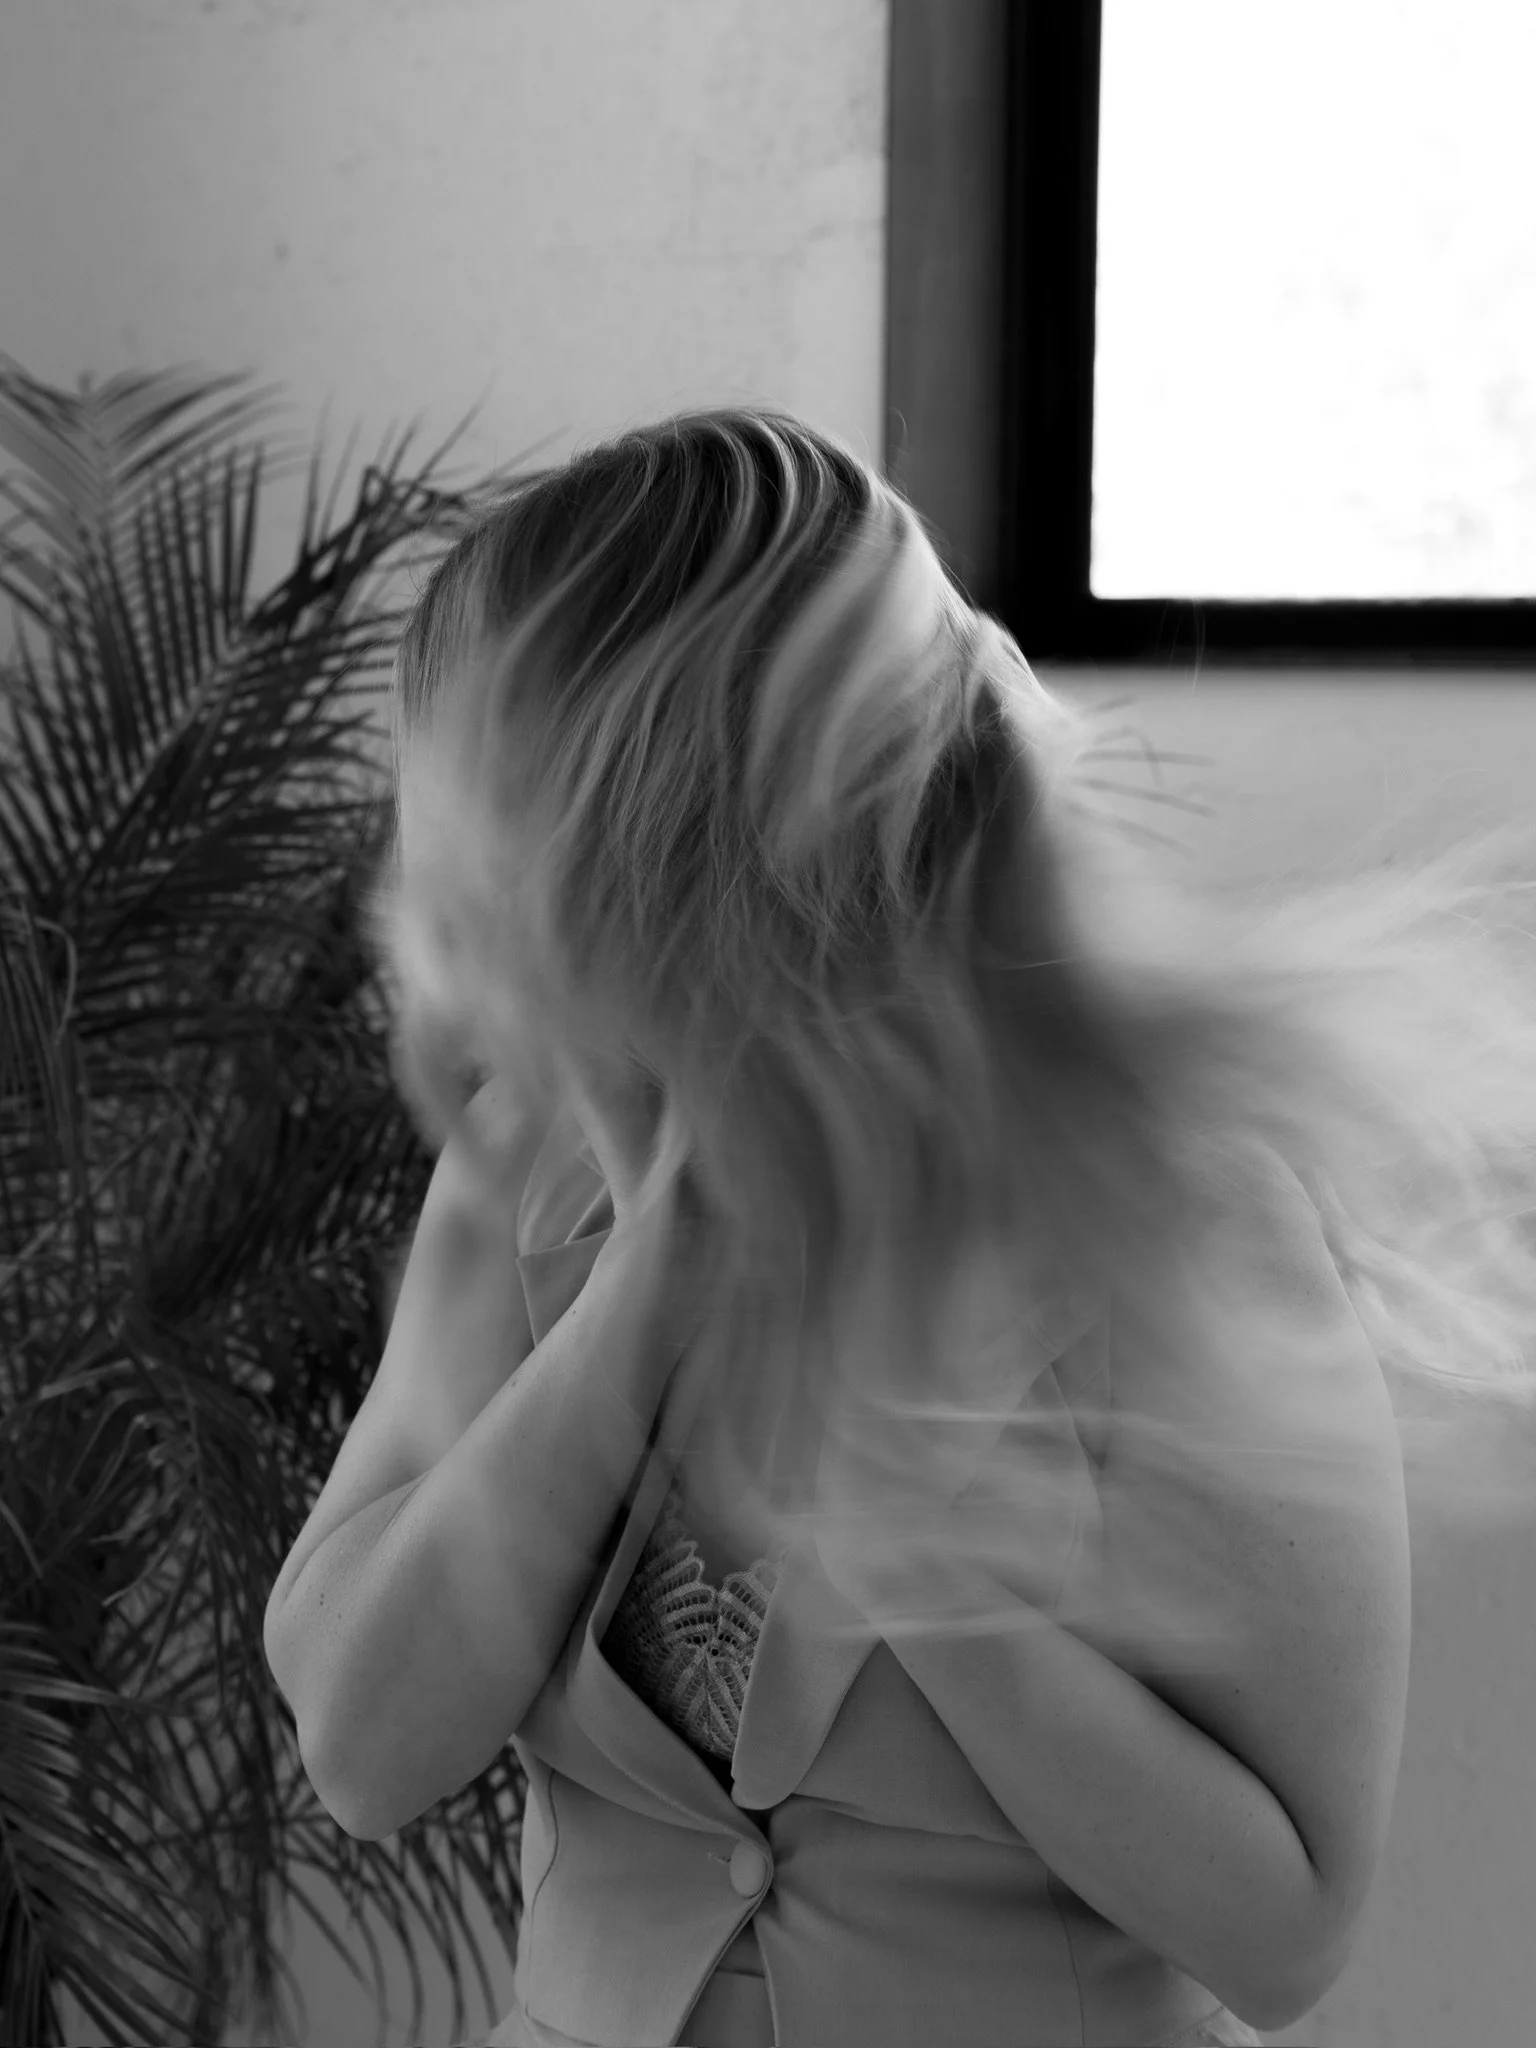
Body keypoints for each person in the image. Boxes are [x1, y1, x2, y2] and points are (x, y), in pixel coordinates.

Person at [265, 406, 1536, 2048]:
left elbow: (1282, 1930)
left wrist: (894, 1531)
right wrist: (647, 1286)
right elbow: (364, 1752)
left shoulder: (1177, 1205)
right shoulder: (521, 1166)